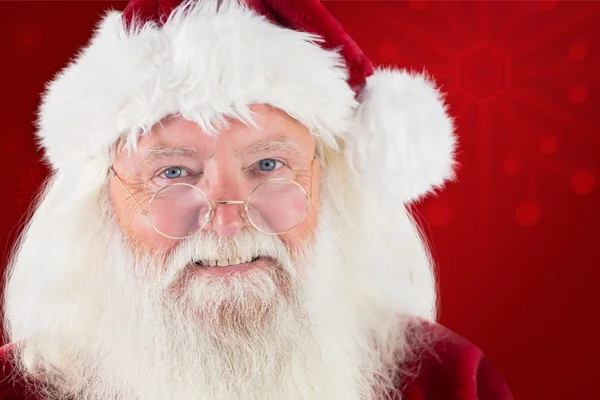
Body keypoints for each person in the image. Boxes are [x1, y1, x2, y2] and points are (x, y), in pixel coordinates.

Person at [0, 0, 513, 399]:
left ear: (328, 186)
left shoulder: (450, 382)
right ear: (100, 204)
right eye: (173, 171)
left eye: (268, 166)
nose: (226, 221)